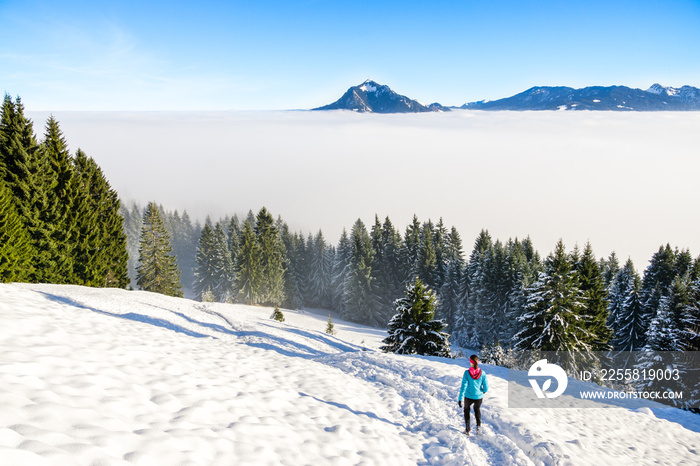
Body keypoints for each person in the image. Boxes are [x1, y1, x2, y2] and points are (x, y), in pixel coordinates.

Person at [458, 354, 488, 435]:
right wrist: (483, 391)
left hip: (468, 396)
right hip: (479, 397)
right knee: (477, 409)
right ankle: (478, 427)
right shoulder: (483, 373)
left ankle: (467, 429)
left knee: (466, 410)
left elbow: (463, 386)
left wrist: (460, 398)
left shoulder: (467, 373)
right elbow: (486, 387)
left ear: (471, 362)